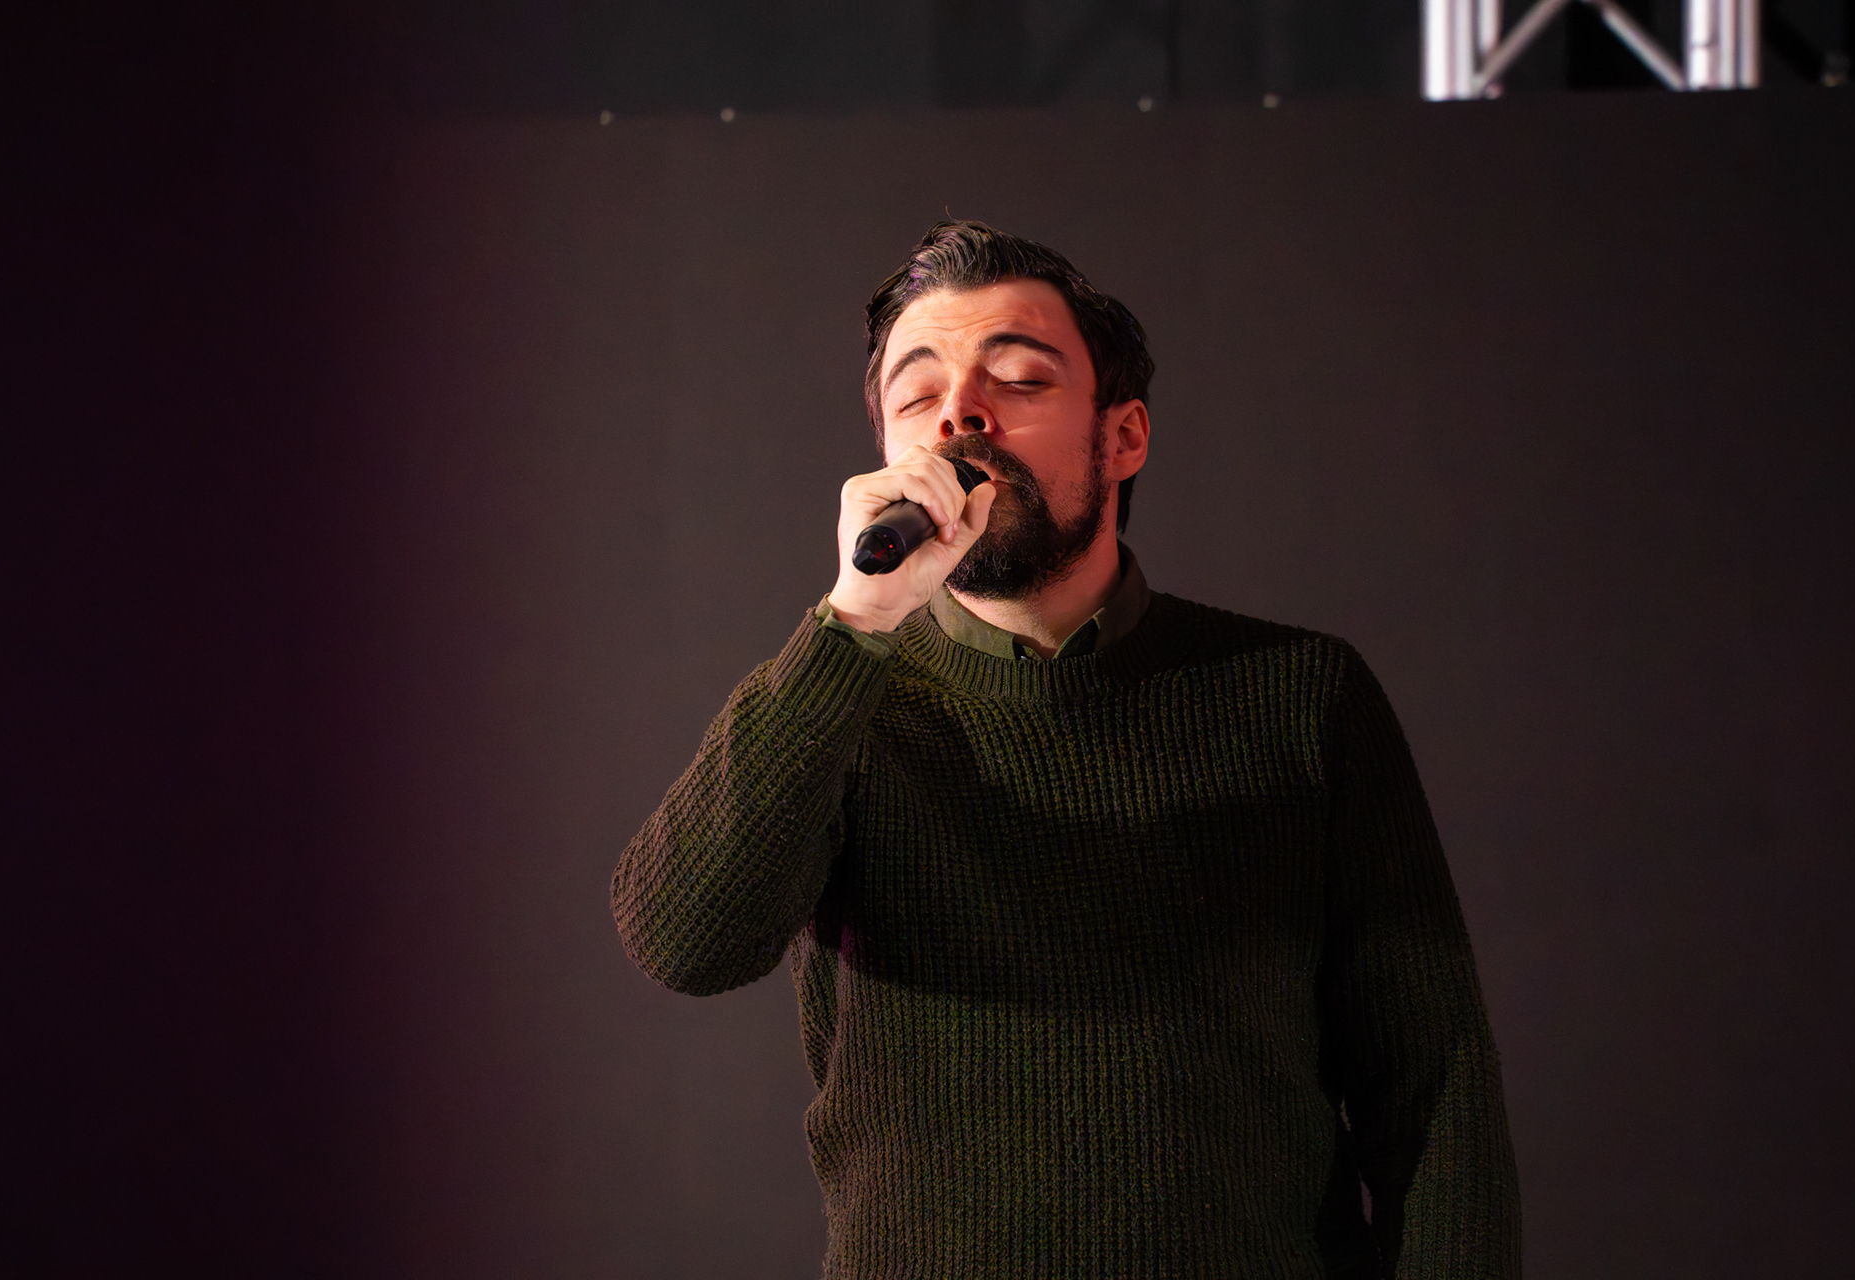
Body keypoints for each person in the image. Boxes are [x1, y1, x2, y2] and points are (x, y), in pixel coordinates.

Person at [613, 220, 1520, 1278]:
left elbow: (1435, 1090)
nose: (959, 412)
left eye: (1020, 378)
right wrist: (854, 622)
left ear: (1122, 437)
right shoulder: (838, 698)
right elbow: (687, 943)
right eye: (917, 393)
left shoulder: (1300, 693)